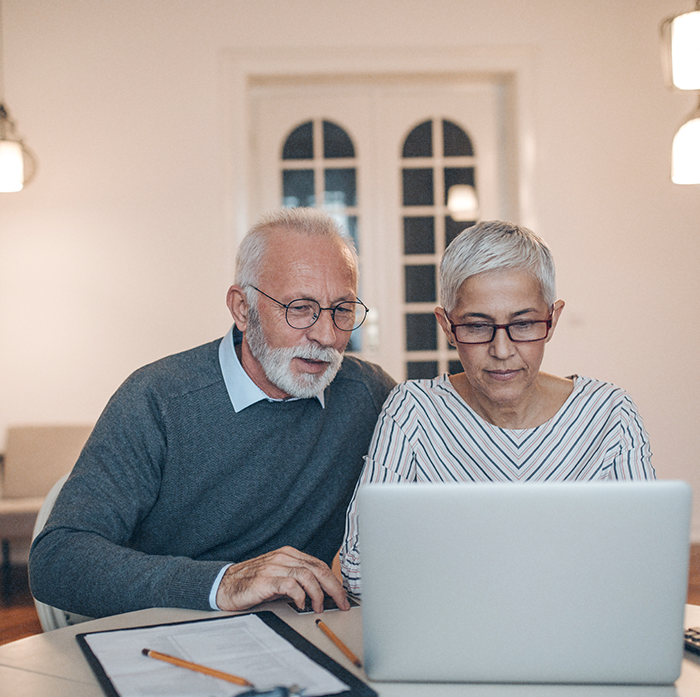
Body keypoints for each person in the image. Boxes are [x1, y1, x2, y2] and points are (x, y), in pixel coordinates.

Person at [30, 208, 395, 618]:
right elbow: (57, 560)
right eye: (300, 307)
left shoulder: (368, 393)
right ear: (242, 308)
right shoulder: (159, 399)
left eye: (342, 310)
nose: (327, 336)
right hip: (174, 637)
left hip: (313, 634)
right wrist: (223, 583)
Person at [340, 220, 654, 596]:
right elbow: (357, 570)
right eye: (476, 326)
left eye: (523, 324)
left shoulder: (609, 414)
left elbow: (646, 568)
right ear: (447, 325)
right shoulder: (413, 411)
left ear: (551, 319)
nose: (502, 351)